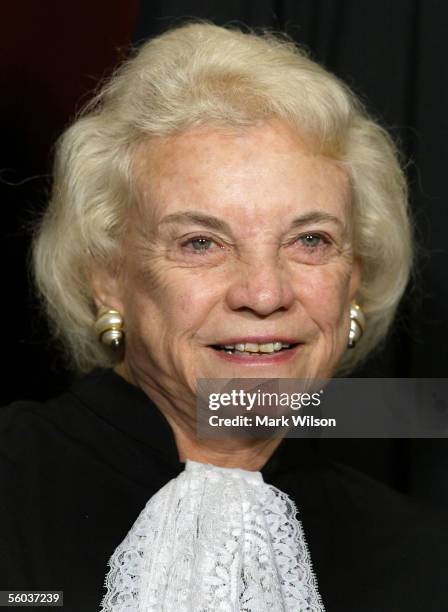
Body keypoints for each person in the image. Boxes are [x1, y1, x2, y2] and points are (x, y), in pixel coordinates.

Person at [1, 21, 447, 612]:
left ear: (354, 280)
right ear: (107, 278)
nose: (264, 294)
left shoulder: (420, 556)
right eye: (201, 243)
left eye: (310, 240)